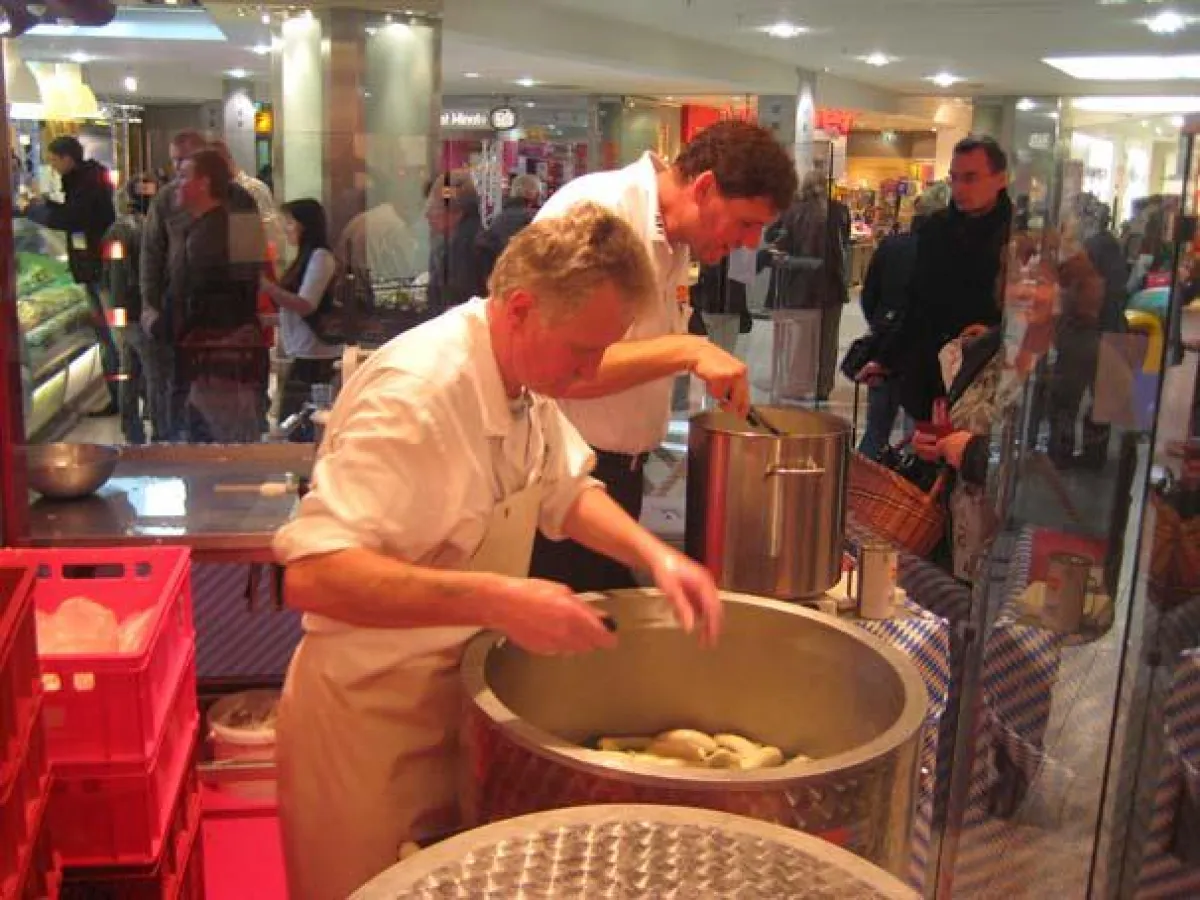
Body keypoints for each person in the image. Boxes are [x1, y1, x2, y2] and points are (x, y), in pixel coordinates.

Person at [273, 203, 724, 900]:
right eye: (583, 351)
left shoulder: (525, 379)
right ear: (520, 310)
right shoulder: (418, 397)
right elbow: (312, 575)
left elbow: (563, 489)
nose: (594, 368)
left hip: (449, 705)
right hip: (368, 728)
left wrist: (654, 556)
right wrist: (499, 598)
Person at [526, 120, 798, 592]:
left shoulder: (673, 242)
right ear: (706, 186)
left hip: (617, 476)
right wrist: (687, 350)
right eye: (747, 223)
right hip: (558, 484)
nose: (752, 243)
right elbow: (556, 371)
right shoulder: (601, 216)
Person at [859, 135, 1013, 423]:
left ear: (1000, 179)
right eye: (954, 178)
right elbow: (917, 304)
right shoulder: (937, 229)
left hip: (985, 381)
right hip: (929, 377)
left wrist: (992, 334)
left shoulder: (1017, 236)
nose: (960, 188)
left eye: (971, 178)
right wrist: (885, 357)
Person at [172, 149, 267, 442]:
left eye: (184, 176)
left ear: (204, 183)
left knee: (223, 435)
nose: (177, 184)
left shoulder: (218, 229)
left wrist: (169, 325)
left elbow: (217, 292)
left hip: (219, 351)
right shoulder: (206, 226)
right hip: (216, 346)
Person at [854, 182, 951, 458]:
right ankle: (903, 496)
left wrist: (881, 326)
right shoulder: (946, 256)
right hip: (924, 359)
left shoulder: (893, 245)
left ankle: (861, 493)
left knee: (875, 431)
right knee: (917, 437)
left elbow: (868, 294)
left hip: (885, 347)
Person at [27, 135, 118, 414]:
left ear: (67, 158)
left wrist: (33, 211)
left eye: (53, 160)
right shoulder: (85, 181)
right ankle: (121, 396)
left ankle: (122, 398)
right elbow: (71, 214)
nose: (52, 166)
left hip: (97, 269)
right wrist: (49, 206)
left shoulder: (87, 183)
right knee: (109, 335)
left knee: (111, 335)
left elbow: (74, 219)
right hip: (93, 268)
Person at [760, 169, 849, 404]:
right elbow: (843, 246)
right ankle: (822, 386)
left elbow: (770, 236)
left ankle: (795, 382)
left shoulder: (791, 211)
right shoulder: (837, 211)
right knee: (827, 340)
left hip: (795, 285)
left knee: (798, 337)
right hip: (829, 285)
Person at [259, 198, 341, 440]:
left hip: (315, 355)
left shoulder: (321, 258)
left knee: (299, 423)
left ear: (304, 225)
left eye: (289, 222)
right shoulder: (305, 258)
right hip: (303, 350)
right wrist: (268, 320)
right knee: (294, 421)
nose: (286, 229)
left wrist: (268, 287)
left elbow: (306, 305)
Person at [102, 172, 160, 443]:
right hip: (149, 310)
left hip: (129, 309)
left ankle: (132, 426)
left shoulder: (119, 229)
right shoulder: (160, 225)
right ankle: (158, 425)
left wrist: (117, 311)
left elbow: (113, 274)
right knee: (153, 369)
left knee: (131, 367)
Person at [426, 169, 487, 313]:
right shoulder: (457, 243)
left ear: (457, 213)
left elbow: (458, 301)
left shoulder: (466, 249)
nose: (427, 215)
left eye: (434, 208)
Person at [474, 172, 541, 285]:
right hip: (521, 280)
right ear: (532, 193)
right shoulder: (531, 219)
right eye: (538, 192)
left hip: (497, 278)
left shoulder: (498, 218)